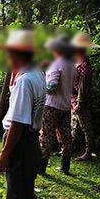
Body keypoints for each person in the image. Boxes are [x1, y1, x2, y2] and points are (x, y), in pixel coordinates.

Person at [0, 29, 45, 199]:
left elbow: (18, 123)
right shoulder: (36, 73)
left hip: (21, 143)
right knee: (25, 195)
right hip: (30, 142)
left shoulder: (26, 81)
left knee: (17, 198)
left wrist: (5, 153)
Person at [39, 34, 77, 175]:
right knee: (66, 136)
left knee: (46, 136)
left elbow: (52, 88)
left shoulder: (56, 64)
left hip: (51, 106)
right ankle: (65, 166)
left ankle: (41, 168)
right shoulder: (72, 64)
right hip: (66, 106)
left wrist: (40, 87)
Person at [70, 32, 99, 161]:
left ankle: (88, 152)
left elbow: (83, 85)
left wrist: (80, 103)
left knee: (86, 127)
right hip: (73, 98)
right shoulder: (78, 62)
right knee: (74, 125)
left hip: (80, 100)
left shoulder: (85, 65)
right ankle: (67, 149)